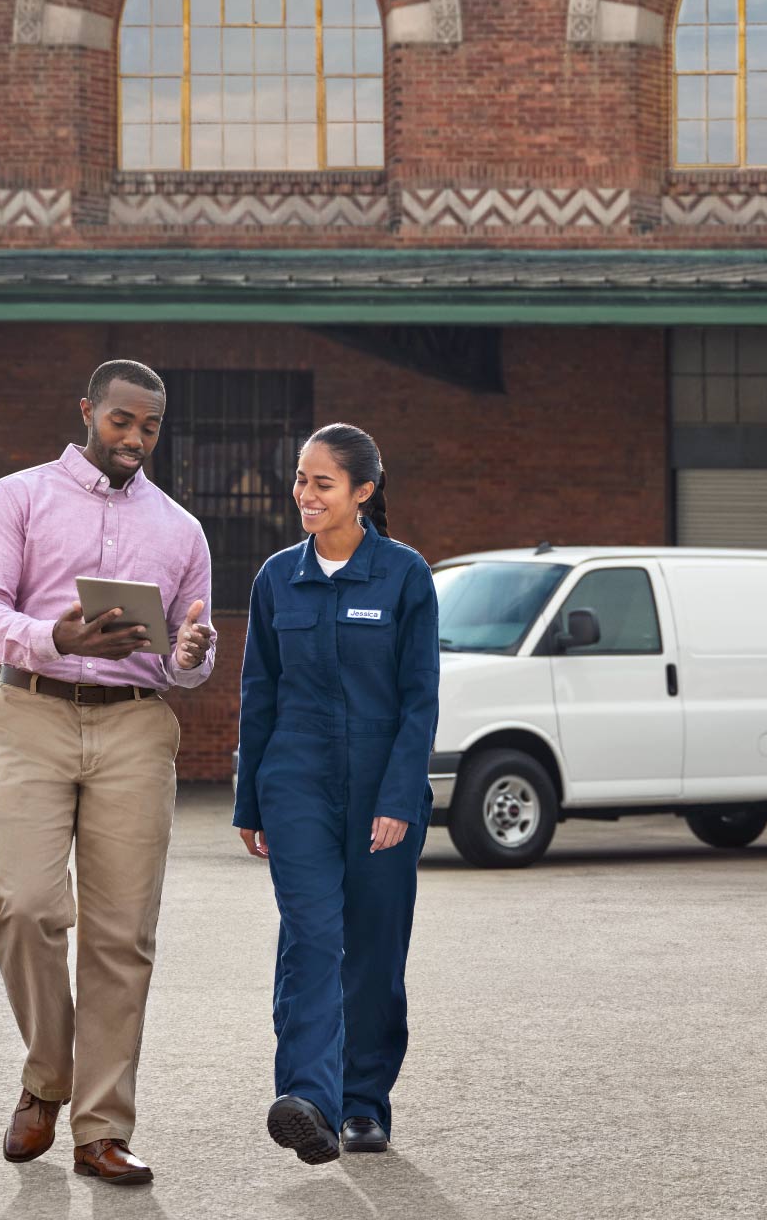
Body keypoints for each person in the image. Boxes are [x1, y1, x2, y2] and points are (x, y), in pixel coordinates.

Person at [0, 359, 217, 1186]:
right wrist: (53, 639)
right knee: (24, 906)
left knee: (121, 934)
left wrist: (190, 656)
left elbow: (186, 658)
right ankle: (46, 1077)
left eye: (150, 428)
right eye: (122, 422)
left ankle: (101, 1128)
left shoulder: (181, 530)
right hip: (29, 710)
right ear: (88, 413)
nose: (135, 439)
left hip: (136, 725)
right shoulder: (19, 497)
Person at [233, 423, 439, 1164]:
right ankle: (308, 1101)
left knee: (375, 950)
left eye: (322, 482)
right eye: (299, 479)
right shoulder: (276, 578)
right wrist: (249, 800)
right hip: (295, 782)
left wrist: (399, 797)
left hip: (383, 786)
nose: (304, 494)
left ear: (362, 492)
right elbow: (260, 693)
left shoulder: (404, 576)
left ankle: (363, 1103)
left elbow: (420, 700)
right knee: (312, 938)